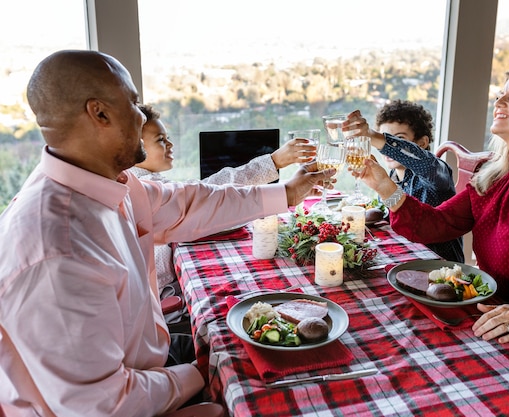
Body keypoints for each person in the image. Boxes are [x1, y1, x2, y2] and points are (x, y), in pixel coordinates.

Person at [0, 50, 334, 417]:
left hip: (147, 365)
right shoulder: (58, 249)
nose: (141, 114)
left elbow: (193, 203)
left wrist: (288, 192)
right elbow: (104, 405)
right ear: (100, 113)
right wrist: (201, 374)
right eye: (133, 102)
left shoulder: (109, 183)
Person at [355, 64, 509, 345]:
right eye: (500, 94)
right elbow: (437, 225)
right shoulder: (496, 173)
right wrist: (384, 186)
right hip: (488, 315)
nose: (498, 102)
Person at [130, 104, 316, 297]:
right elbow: (205, 198)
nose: (171, 144)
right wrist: (280, 177)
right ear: (133, 144)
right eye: (161, 140)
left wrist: (277, 172)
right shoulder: (144, 189)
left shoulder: (142, 181)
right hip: (168, 294)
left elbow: (204, 193)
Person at [344, 102, 464, 263]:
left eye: (399, 138)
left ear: (422, 143)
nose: (383, 148)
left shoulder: (435, 176)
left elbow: (427, 163)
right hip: (406, 261)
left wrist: (375, 137)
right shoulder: (391, 176)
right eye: (384, 136)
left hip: (442, 269)